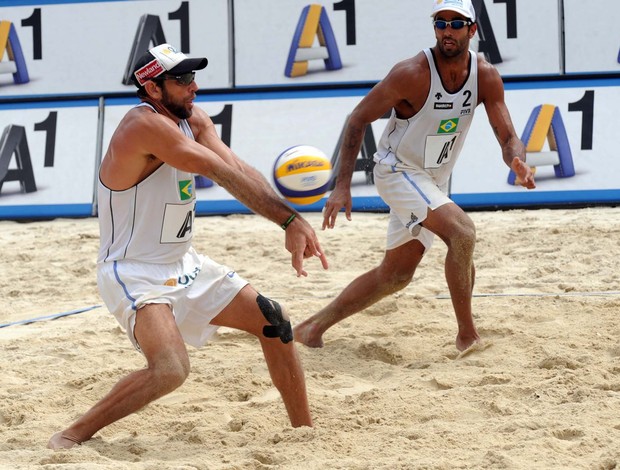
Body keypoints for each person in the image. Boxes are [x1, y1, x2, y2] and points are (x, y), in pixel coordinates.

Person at [48, 44, 328, 450]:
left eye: (192, 77)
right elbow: (215, 170)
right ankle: (72, 434)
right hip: (134, 271)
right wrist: (288, 220)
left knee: (275, 320)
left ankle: (304, 434)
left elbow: (237, 168)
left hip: (185, 264)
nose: (193, 86)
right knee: (171, 370)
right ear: (153, 88)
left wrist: (293, 220)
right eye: (181, 80)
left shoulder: (192, 118)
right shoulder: (141, 127)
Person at [293, 0, 535, 353]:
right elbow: (358, 118)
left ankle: (311, 327)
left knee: (396, 276)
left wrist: (518, 161)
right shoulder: (412, 73)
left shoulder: (484, 75)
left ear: (472, 29)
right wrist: (341, 185)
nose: (447, 30)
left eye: (456, 23)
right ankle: (467, 336)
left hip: (432, 180)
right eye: (441, 23)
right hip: (397, 170)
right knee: (463, 233)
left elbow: (508, 137)